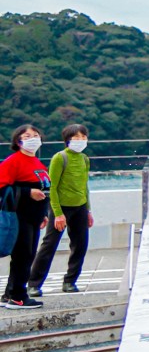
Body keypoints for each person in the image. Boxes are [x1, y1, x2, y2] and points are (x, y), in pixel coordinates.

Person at [29, 124, 92, 296]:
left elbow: (84, 186)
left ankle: (70, 281)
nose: (80, 141)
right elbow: (53, 188)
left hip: (80, 207)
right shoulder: (60, 158)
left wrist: (88, 210)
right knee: (49, 245)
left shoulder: (84, 159)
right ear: (67, 140)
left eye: (83, 137)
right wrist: (57, 214)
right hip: (61, 207)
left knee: (80, 245)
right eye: (76, 138)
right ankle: (34, 284)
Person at [1, 127, 51, 309]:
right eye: (27, 136)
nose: (33, 139)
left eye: (36, 135)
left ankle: (9, 293)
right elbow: (2, 188)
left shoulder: (36, 162)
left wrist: (43, 213)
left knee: (27, 255)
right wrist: (28, 192)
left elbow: (45, 190)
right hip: (18, 216)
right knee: (23, 256)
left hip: (34, 217)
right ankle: (18, 296)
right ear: (18, 141)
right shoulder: (13, 162)